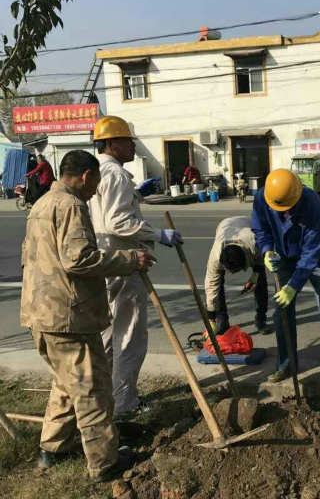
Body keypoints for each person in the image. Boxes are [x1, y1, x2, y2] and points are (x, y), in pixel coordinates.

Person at [20, 150, 153, 480]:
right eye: (95, 184)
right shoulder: (71, 206)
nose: (95, 192)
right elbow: (78, 259)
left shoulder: (41, 204)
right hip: (68, 317)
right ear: (86, 176)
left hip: (41, 313)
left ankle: (53, 448)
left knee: (66, 384)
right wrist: (128, 260)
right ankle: (104, 462)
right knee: (92, 388)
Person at [89, 116, 183, 418]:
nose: (132, 145)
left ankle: (104, 398)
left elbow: (105, 213)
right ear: (111, 143)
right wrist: (158, 235)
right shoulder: (115, 174)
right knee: (129, 334)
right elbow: (117, 221)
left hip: (104, 260)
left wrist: (137, 194)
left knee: (107, 333)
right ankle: (125, 403)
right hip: (123, 261)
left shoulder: (98, 171)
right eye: (127, 140)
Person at [251, 168, 320, 381]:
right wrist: (267, 251)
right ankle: (286, 365)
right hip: (285, 256)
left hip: (319, 259)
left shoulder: (311, 203)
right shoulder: (264, 197)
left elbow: (312, 251)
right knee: (282, 313)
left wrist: (293, 286)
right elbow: (260, 228)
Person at [203, 216, 270, 336]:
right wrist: (211, 318)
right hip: (225, 225)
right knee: (217, 288)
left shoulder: (255, 242)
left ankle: (261, 320)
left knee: (261, 282)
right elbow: (211, 287)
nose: (233, 274)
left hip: (246, 224)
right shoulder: (215, 258)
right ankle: (222, 323)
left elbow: (260, 263)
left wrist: (254, 277)